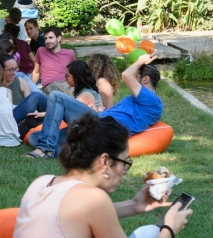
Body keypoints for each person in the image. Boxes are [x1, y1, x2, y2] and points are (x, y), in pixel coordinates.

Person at [10, 113, 188, 238]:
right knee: (151, 234)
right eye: (124, 163)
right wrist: (168, 231)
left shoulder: (43, 182)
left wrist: (134, 205)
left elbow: (75, 217)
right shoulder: (94, 199)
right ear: (105, 161)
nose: (125, 171)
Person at [29, 53, 163, 159]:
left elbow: (126, 75)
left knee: (56, 96)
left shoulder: (152, 101)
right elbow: (117, 113)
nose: (133, 79)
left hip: (104, 130)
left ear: (145, 79)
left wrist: (139, 61)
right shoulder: (135, 99)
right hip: (98, 121)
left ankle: (45, 149)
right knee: (34, 136)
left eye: (136, 76)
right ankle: (72, 156)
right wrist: (99, 111)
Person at [34, 26, 76, 91]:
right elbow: (36, 72)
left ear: (59, 38)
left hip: (67, 84)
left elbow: (75, 73)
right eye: (46, 38)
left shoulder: (70, 53)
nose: (47, 41)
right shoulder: (41, 51)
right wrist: (31, 88)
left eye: (50, 38)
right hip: (51, 86)